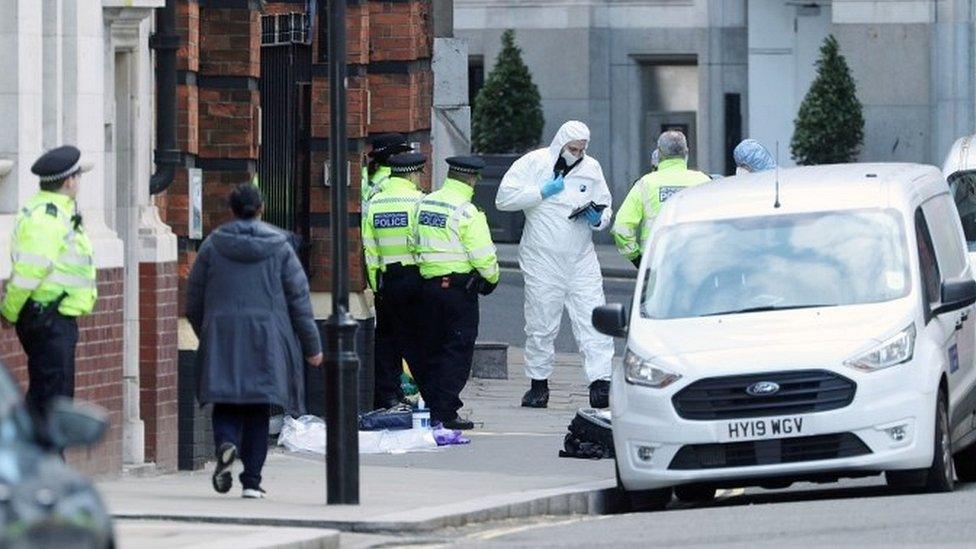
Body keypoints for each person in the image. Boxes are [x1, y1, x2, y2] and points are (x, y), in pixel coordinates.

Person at [186, 184, 323, 499]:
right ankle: (251, 482)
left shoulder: (212, 246)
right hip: (267, 337)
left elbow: (193, 298)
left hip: (222, 333)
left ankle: (225, 443)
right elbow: (299, 300)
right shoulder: (279, 247)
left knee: (226, 401)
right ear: (261, 209)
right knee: (258, 408)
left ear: (232, 210)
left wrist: (205, 330)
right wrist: (312, 347)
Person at [495, 121, 615, 409]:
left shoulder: (592, 168)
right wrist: (541, 192)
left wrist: (598, 219)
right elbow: (503, 199)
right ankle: (539, 385)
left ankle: (600, 383)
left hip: (581, 258)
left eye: (582, 149)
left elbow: (605, 204)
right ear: (560, 143)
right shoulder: (534, 163)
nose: (577, 153)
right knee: (541, 323)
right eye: (572, 148)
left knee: (593, 318)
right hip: (542, 259)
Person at [0, 145, 96, 422]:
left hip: (53, 317)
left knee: (55, 396)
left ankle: (49, 457)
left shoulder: (58, 212)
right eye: (78, 176)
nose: (79, 181)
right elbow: (29, 273)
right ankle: (43, 460)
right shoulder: (47, 217)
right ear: (69, 180)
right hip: (47, 318)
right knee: (50, 400)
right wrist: (9, 311)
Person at [413, 156, 498, 430]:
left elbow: (412, 241)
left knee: (430, 347)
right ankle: (446, 411)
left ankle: (432, 403)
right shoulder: (467, 212)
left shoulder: (425, 203)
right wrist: (491, 279)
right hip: (458, 292)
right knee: (457, 350)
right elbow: (484, 258)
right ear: (472, 179)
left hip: (427, 287)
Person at [363, 152, 427, 410]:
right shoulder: (419, 202)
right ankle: (428, 395)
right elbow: (424, 242)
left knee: (387, 340)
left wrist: (376, 283)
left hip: (386, 279)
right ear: (413, 174)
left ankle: (388, 394)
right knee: (418, 339)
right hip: (415, 277)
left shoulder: (375, 202)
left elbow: (370, 248)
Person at [611, 131, 710, 268]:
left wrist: (636, 258)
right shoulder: (704, 181)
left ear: (659, 153)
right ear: (686, 152)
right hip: (695, 261)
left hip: (656, 263)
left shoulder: (645, 184)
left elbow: (622, 227)